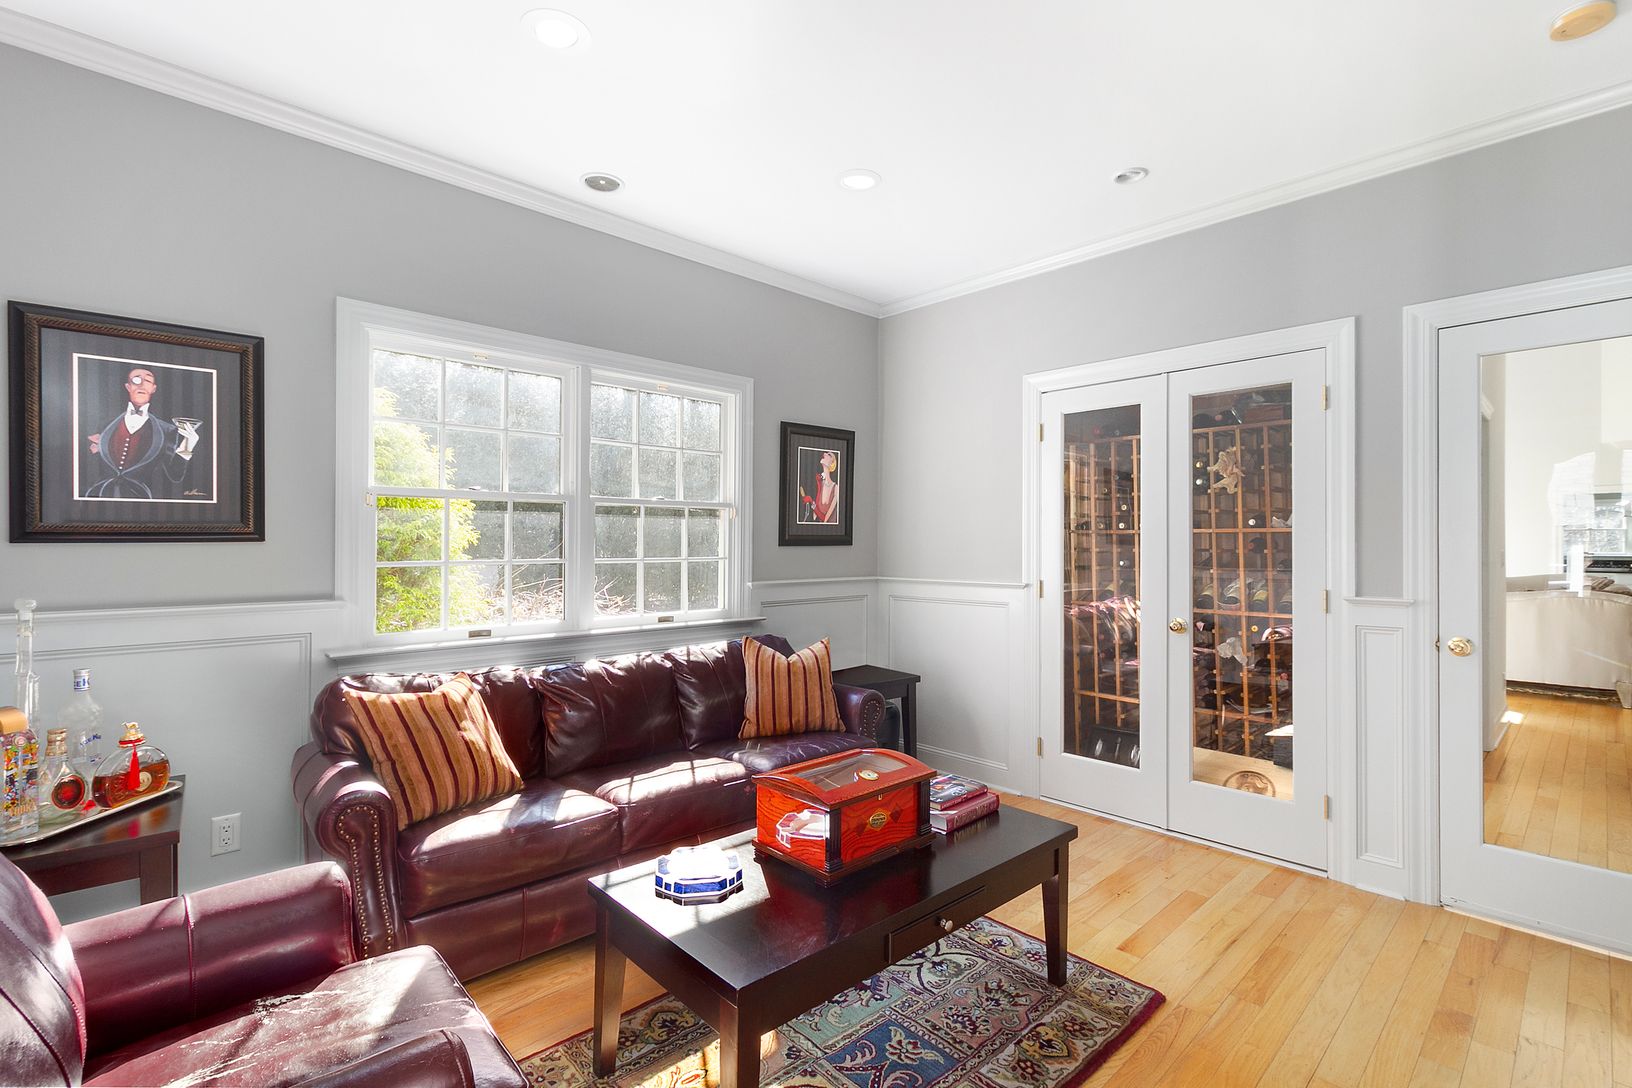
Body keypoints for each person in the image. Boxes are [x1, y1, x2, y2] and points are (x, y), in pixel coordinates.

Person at [83, 367, 200, 499]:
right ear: (128, 387)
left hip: (140, 498)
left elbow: (175, 475)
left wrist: (188, 445)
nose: (142, 384)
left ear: (153, 389)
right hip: (99, 495)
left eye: (148, 381)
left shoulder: (166, 430)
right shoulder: (105, 424)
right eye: (136, 380)